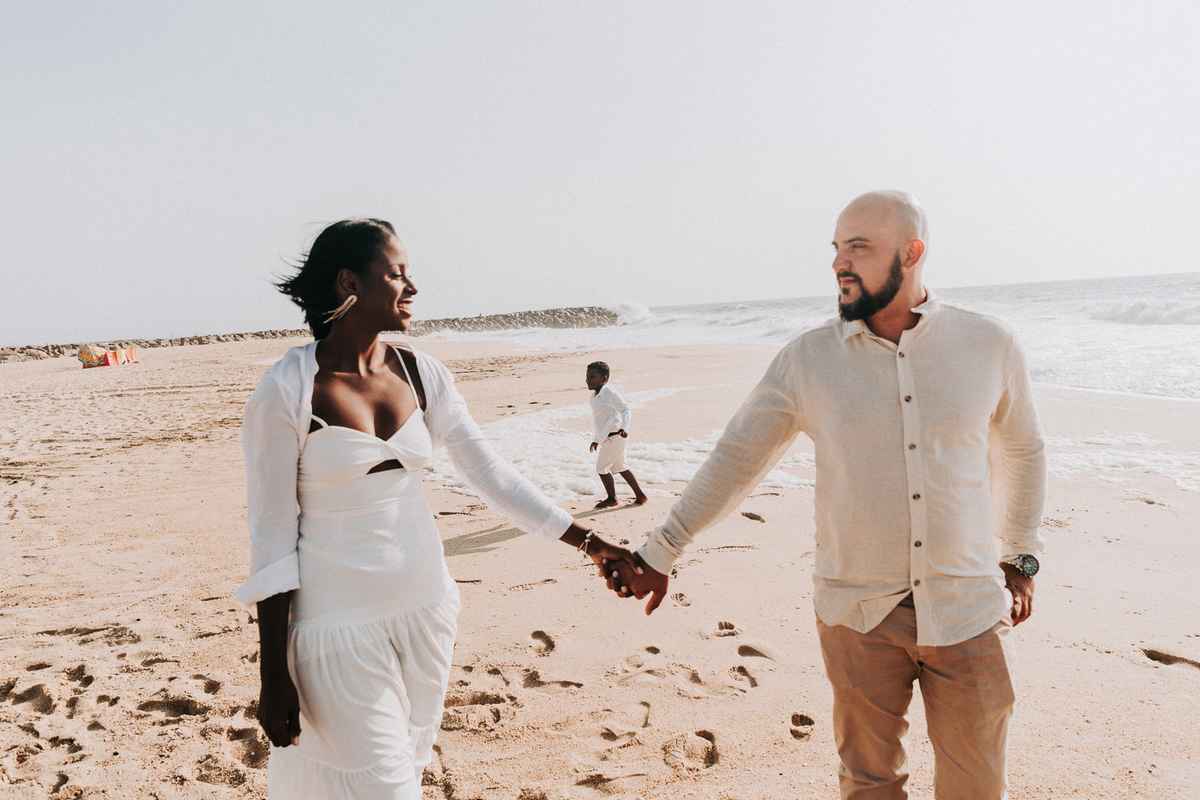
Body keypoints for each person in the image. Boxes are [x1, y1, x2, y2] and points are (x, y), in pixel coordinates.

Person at [605, 192, 1046, 799]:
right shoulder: (808, 360)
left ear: (912, 253)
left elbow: (1023, 450)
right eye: (837, 247)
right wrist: (661, 550)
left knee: (977, 790)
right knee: (869, 786)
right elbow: (737, 459)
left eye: (858, 247)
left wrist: (1022, 557)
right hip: (859, 615)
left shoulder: (989, 344)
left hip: (970, 611)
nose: (840, 262)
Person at [234, 219, 636, 799]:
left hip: (426, 612)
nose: (412, 286)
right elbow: (270, 537)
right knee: (383, 787)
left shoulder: (422, 373)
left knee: (408, 771)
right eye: (396, 273)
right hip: (336, 629)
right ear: (349, 281)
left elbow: (491, 475)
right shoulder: (286, 391)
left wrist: (592, 544)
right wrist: (273, 673)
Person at [586, 361, 648, 508]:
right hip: (609, 437)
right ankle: (640, 495)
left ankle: (612, 498)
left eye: (592, 377)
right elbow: (600, 422)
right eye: (587, 376)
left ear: (604, 379)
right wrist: (596, 439)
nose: (588, 380)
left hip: (615, 437)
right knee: (621, 467)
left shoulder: (610, 394)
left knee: (601, 469)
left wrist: (624, 427)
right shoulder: (594, 397)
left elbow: (626, 409)